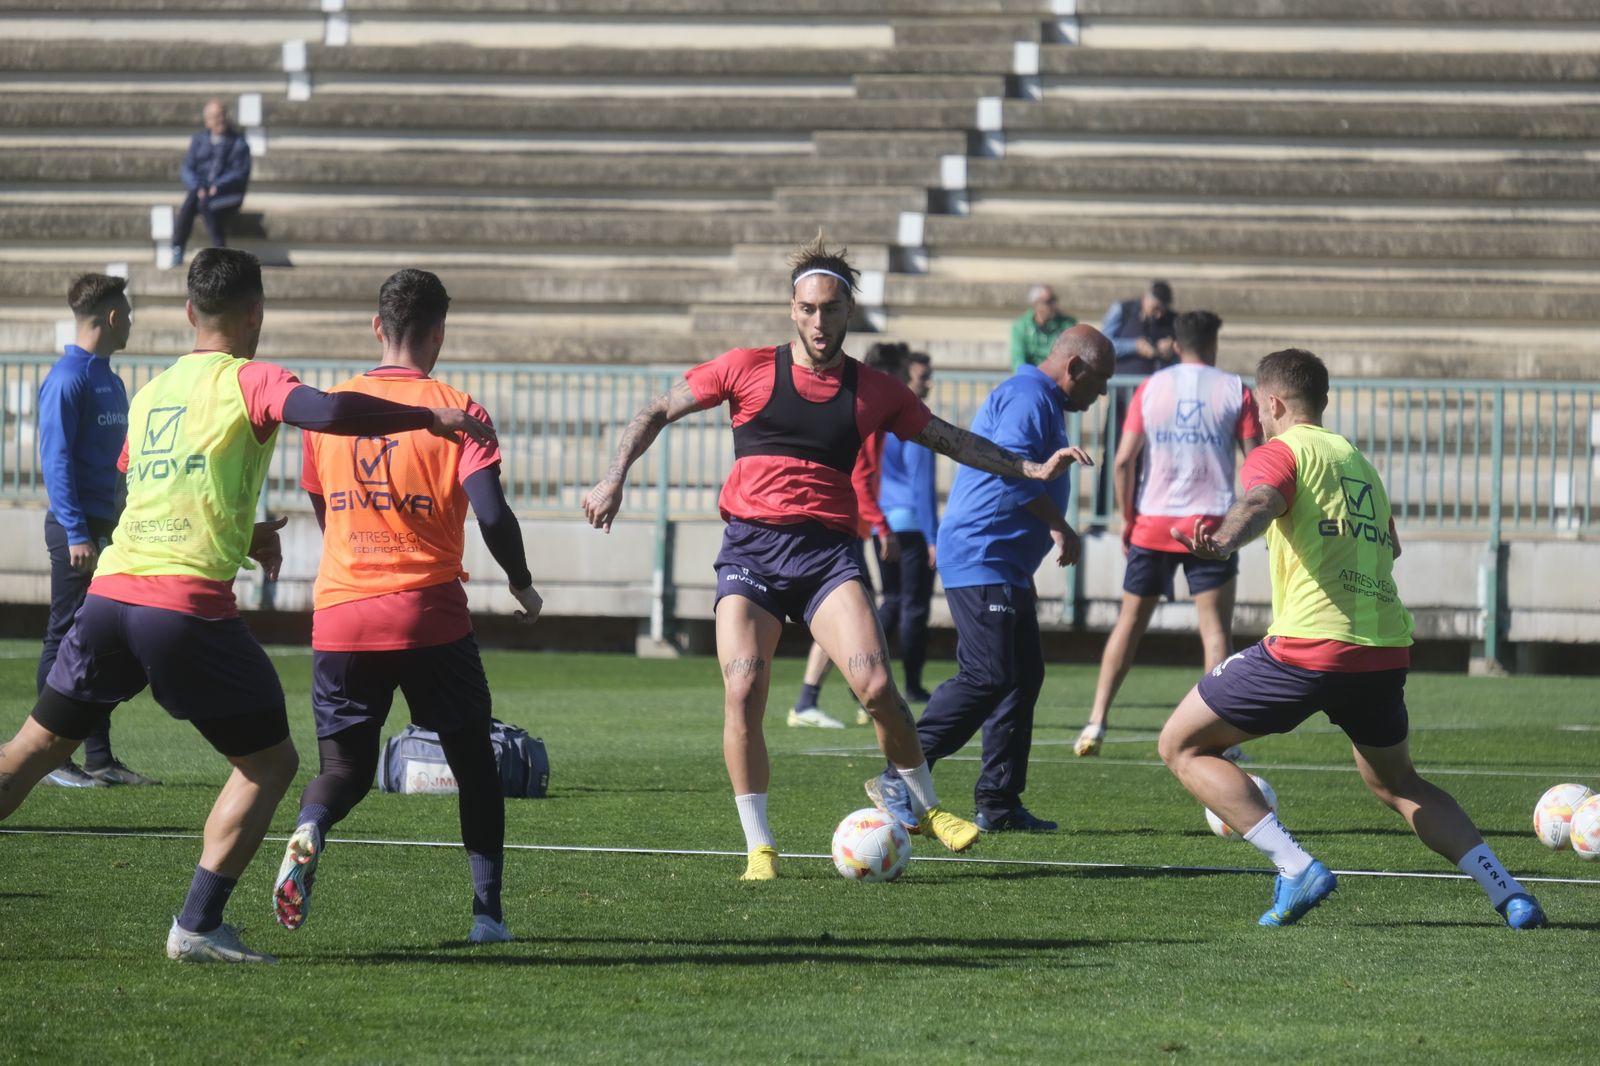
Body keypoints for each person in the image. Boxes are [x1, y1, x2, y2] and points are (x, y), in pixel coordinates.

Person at [0, 248, 497, 963]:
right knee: (269, 764)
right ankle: (197, 924)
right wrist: (428, 420)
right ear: (257, 314)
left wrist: (246, 531)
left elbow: (148, 488)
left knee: (30, 753)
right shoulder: (254, 379)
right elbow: (325, 411)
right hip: (183, 609)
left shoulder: (153, 392)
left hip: (109, 597)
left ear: (188, 314)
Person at [583, 234, 1091, 879]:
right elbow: (657, 409)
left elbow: (951, 439)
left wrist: (1028, 465)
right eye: (808, 309)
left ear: (849, 312)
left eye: (832, 309)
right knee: (743, 691)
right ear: (792, 310)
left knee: (878, 688)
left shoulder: (875, 390)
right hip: (751, 553)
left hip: (826, 557)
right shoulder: (745, 367)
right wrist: (613, 477)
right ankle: (759, 846)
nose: (819, 322)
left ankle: (929, 809)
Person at [1161, 348, 1546, 930]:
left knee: (1181, 746)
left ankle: (1295, 866)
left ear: (1273, 403)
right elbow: (1390, 544)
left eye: (1261, 411)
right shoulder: (1357, 462)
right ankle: (1509, 892)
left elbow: (1262, 501)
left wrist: (1221, 540)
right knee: (1397, 782)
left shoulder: (1279, 451)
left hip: (1308, 648)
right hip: (1383, 650)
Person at [274, 268, 542, 945]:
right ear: (438, 333)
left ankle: (310, 827)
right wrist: (520, 580)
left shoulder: (330, 406)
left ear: (377, 328)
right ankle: (487, 916)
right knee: (474, 766)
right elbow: (491, 512)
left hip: (341, 611)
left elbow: (322, 506)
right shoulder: (456, 408)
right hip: (427, 612)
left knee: (344, 771)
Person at [885, 326, 1115, 833]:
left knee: (1022, 674)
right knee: (988, 675)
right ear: (1074, 367)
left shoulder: (1044, 402)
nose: (1100, 394)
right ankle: (899, 776)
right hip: (981, 552)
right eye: (1099, 381)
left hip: (1004, 563)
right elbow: (1005, 471)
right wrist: (1057, 522)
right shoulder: (1029, 396)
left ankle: (999, 802)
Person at [1076, 311, 1262, 757]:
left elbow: (1123, 461)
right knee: (1215, 632)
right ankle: (1219, 735)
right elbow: (1257, 465)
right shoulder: (1236, 389)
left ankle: (1096, 721)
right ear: (1213, 345)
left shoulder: (1150, 387)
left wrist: (1127, 519)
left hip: (1154, 522)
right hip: (1212, 527)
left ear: (1175, 345)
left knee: (1130, 624)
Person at [35, 273, 156, 787]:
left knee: (101, 641)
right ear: (110, 317)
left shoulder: (110, 377)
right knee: (63, 636)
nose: (129, 323)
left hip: (109, 529)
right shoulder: (69, 378)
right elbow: (55, 459)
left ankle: (100, 757)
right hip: (75, 531)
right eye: (126, 315)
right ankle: (49, 759)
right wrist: (77, 530)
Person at [790, 342, 906, 730]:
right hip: (844, 528)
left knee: (845, 616)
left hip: (849, 527)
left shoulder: (870, 409)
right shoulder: (868, 412)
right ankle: (836, 697)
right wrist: (883, 526)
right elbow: (859, 480)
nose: (909, 384)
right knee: (848, 614)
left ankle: (822, 698)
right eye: (904, 374)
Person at [875, 350, 940, 704]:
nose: (927, 383)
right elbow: (922, 486)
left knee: (892, 601)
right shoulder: (915, 422)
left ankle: (865, 672)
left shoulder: (881, 419)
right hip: (912, 526)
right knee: (914, 606)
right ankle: (912, 684)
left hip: (882, 524)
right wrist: (933, 538)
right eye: (922, 377)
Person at [172, 98, 252, 265]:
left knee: (205, 205)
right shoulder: (198, 140)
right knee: (189, 203)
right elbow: (187, 169)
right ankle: (177, 248)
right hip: (202, 192)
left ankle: (220, 251)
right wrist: (199, 186)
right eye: (215, 117)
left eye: (222, 115)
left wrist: (218, 186)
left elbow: (239, 173)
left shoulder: (238, 143)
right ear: (207, 121)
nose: (220, 120)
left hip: (229, 194)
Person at [1101, 281, 1176, 378]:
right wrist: (1134, 346)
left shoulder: (1173, 319)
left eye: (1163, 310)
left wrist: (1172, 348)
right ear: (1145, 298)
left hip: (1158, 386)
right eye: (1156, 308)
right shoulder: (1122, 310)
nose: (1159, 315)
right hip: (1123, 387)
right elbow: (1103, 347)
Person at [1010, 284, 1076, 371]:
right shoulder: (1021, 327)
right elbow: (1018, 362)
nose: (1054, 305)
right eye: (1048, 302)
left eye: (1055, 300)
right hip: (1031, 376)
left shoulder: (1068, 325)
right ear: (1036, 304)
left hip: (1058, 377)